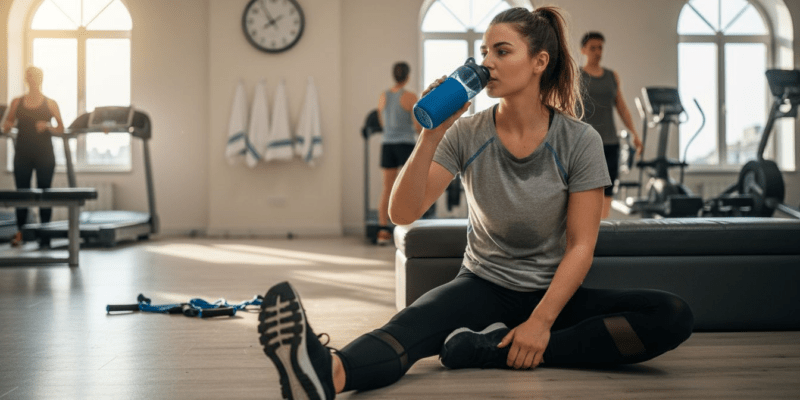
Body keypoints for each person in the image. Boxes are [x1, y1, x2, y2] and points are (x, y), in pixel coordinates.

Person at [258, 7, 693, 399]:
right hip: (483, 283)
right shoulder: (466, 132)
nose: (487, 63)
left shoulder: (580, 140)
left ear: (539, 62)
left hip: (553, 294)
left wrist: (540, 322)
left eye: (502, 52)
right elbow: (402, 213)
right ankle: (325, 374)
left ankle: (494, 350)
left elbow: (581, 245)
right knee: (408, 327)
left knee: (671, 315)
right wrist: (431, 134)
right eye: (484, 52)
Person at [579, 31, 643, 219]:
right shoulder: (576, 75)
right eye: (593, 48)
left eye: (600, 48)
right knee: (585, 189)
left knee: (607, 189)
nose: (597, 52)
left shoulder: (611, 76)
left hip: (610, 143)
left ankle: (602, 228)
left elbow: (622, 107)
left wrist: (634, 133)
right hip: (584, 143)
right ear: (583, 50)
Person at [1, 66, 65, 247]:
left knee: (45, 193)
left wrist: (48, 126)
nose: (32, 79)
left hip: (44, 154)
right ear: (26, 79)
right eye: (29, 76)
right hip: (22, 153)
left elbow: (61, 128)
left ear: (41, 79)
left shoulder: (50, 103)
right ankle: (21, 233)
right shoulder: (17, 102)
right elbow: (8, 123)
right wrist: (7, 126)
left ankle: (45, 236)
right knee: (22, 194)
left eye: (35, 76)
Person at [375, 62, 422, 245]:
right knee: (408, 188)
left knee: (387, 188)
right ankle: (408, 229)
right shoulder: (410, 97)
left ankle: (382, 232)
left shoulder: (383, 96)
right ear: (407, 77)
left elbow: (382, 121)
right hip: (405, 145)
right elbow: (417, 126)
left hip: (387, 144)